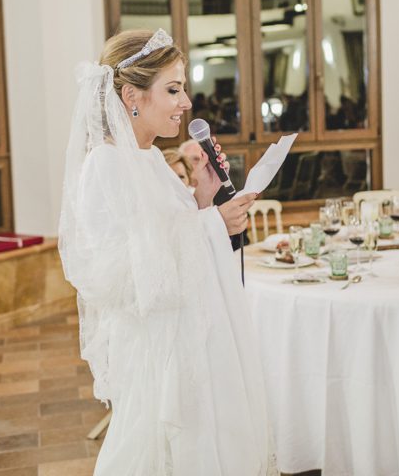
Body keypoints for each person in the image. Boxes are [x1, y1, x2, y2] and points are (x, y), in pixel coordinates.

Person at [58, 28, 274, 475]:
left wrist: (205, 200)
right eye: (173, 90)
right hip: (157, 350)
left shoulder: (152, 159)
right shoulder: (105, 165)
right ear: (132, 96)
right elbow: (117, 273)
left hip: (192, 335)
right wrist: (212, 225)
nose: (186, 103)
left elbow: (169, 238)